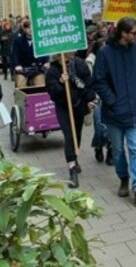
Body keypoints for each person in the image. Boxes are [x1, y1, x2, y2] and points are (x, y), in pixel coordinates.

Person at [93, 17, 136, 204]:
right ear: (122, 33)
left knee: (135, 148)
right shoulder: (105, 53)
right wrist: (112, 100)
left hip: (135, 109)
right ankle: (123, 178)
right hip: (114, 112)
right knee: (119, 150)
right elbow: (99, 80)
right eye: (133, 33)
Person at [45, 52, 97, 188]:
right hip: (63, 107)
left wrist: (90, 99)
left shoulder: (80, 65)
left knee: (76, 135)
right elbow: (52, 93)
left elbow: (88, 84)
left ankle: (74, 156)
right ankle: (72, 167)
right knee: (69, 135)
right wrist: (61, 83)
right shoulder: (52, 70)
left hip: (78, 105)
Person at [87, 39, 114, 166]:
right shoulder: (90, 63)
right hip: (97, 99)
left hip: (111, 98)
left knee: (111, 127)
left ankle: (110, 150)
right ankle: (98, 146)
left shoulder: (113, 60)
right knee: (99, 127)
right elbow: (88, 83)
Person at [10, 21, 49, 88]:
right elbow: (14, 55)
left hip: (37, 69)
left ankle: (39, 98)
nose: (31, 30)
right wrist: (16, 65)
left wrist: (46, 62)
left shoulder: (40, 40)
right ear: (24, 29)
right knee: (21, 86)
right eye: (28, 28)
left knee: (41, 85)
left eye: (32, 28)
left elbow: (44, 52)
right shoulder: (18, 41)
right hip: (22, 69)